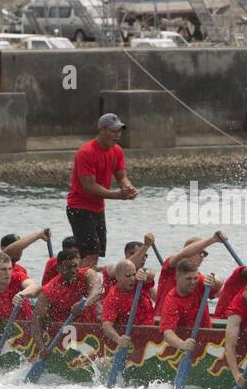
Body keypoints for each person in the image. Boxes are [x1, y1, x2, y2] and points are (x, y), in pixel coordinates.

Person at [65, 113, 138, 267]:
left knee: (96, 252)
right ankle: (83, 288)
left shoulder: (117, 150)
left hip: (98, 208)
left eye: (119, 131)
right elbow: (89, 187)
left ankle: (84, 282)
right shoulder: (86, 152)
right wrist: (117, 195)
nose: (117, 134)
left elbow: (121, 177)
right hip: (79, 207)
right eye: (114, 131)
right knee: (91, 252)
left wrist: (128, 187)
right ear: (102, 129)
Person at [0, 252, 42, 366]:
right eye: (3, 269)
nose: (8, 273)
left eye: (10, 269)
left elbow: (35, 286)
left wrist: (22, 294)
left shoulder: (17, 277)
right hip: (12, 335)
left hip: (31, 328)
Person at [154, 232, 229, 313]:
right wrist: (213, 240)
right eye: (199, 251)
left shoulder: (197, 277)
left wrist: (215, 280)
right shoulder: (172, 266)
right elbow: (184, 254)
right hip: (161, 320)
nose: (202, 256)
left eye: (204, 253)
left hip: (186, 322)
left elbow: (224, 293)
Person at [159, 257, 219, 355]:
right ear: (177, 277)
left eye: (195, 278)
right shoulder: (171, 300)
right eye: (188, 279)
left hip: (207, 340)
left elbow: (220, 284)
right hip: (184, 344)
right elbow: (167, 332)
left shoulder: (199, 283)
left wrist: (213, 281)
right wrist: (182, 344)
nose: (193, 282)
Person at [35, 249, 102, 327]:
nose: (73, 271)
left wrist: (84, 305)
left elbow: (97, 291)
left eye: (75, 266)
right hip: (64, 330)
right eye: (68, 267)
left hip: (91, 327)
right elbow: (37, 320)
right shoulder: (49, 290)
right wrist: (38, 339)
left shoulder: (88, 274)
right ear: (58, 268)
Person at [100, 260, 156, 350]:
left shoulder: (139, 281)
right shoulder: (113, 297)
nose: (132, 279)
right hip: (132, 338)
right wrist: (118, 339)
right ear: (117, 277)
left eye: (134, 274)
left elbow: (152, 274)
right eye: (128, 276)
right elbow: (106, 325)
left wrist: (145, 274)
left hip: (150, 331)